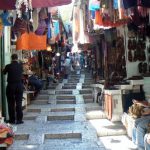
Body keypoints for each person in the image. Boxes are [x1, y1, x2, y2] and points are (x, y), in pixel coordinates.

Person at [3, 54, 24, 124]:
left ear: (11, 58)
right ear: (17, 58)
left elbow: (4, 72)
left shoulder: (8, 66)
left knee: (11, 103)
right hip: (19, 85)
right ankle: (19, 119)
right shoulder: (20, 66)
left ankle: (12, 119)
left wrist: (3, 69)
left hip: (11, 85)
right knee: (19, 103)